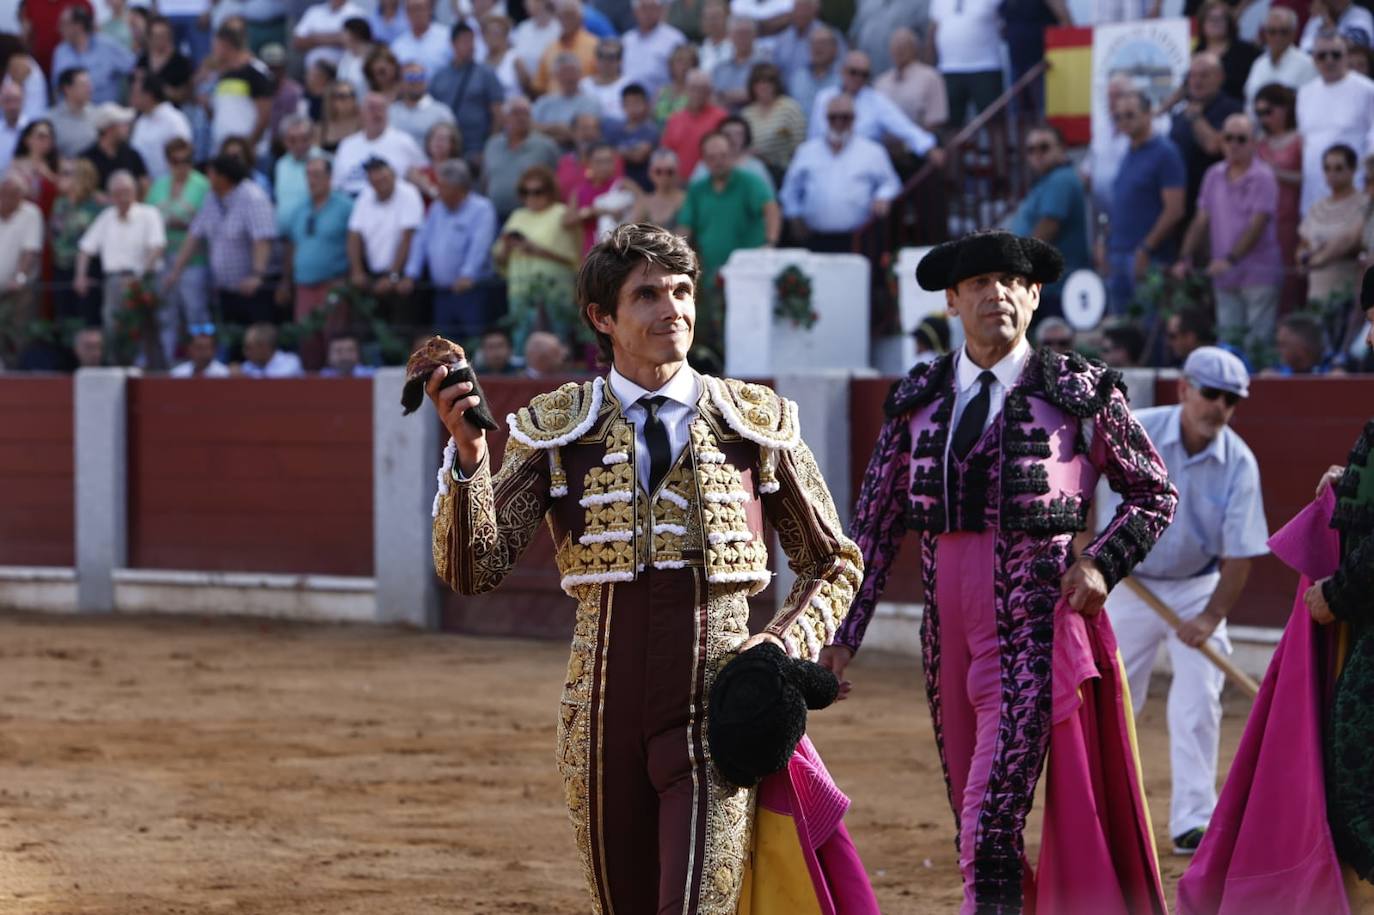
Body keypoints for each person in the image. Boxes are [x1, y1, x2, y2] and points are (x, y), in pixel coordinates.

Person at [427, 221, 876, 915]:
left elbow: (833, 560)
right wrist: (469, 458)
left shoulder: (752, 421)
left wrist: (784, 642)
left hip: (714, 710)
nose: (674, 309)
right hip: (599, 716)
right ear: (602, 318)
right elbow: (474, 568)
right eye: (648, 295)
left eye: (683, 290)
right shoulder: (558, 427)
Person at [834, 229, 1175, 915]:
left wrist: (1104, 563)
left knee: (988, 828)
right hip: (944, 638)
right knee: (977, 819)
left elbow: (1153, 491)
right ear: (954, 299)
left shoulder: (1077, 389)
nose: (999, 294)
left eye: (1014, 282)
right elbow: (871, 526)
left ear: (1035, 294)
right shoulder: (917, 398)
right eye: (982, 283)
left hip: (1030, 631)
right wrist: (842, 635)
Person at [1102, 346, 1268, 856]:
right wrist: (1103, 566)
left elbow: (1240, 554)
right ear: (1184, 390)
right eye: (1211, 394)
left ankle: (1194, 820)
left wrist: (1212, 615)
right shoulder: (1139, 431)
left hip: (1198, 584)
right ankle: (1106, 817)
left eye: (1230, 400)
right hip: (1129, 579)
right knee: (1113, 696)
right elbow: (1094, 500)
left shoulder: (1239, 462)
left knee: (1201, 699)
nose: (1219, 407)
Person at [1173, 112, 1282, 356]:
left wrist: (1229, 260)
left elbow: (1257, 224)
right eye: (1228, 137)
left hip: (1258, 274)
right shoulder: (1213, 175)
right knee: (1229, 347)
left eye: (1241, 139)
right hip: (1224, 276)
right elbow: (1200, 221)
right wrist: (1185, 257)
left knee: (1258, 347)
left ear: (1254, 142)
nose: (1233, 144)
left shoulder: (1264, 177)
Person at [678, 130, 779, 361]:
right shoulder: (698, 189)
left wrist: (771, 242)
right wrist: (673, 257)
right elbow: (685, 227)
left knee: (744, 329)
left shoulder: (749, 182)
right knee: (709, 329)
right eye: (712, 157)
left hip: (747, 273)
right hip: (710, 273)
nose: (718, 161)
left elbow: (770, 208)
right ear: (703, 160)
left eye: (723, 155)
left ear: (732, 155)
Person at [165, 153, 277, 327]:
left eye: (211, 174)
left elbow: (262, 239)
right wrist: (176, 271)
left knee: (254, 340)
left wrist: (257, 275)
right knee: (231, 342)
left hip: (252, 290)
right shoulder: (211, 198)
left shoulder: (253, 198)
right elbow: (194, 234)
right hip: (225, 289)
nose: (207, 178)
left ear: (223, 178)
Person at [1101, 89, 1186, 314]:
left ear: (1148, 114)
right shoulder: (1127, 152)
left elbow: (1175, 209)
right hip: (1119, 252)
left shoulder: (1166, 153)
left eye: (1130, 115)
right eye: (1118, 117)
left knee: (1150, 333)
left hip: (1149, 258)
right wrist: (1104, 240)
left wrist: (1146, 248)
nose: (1123, 121)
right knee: (1122, 336)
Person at [779, 92, 899, 251]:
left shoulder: (872, 151)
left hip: (858, 239)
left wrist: (883, 196)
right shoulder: (807, 151)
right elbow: (790, 190)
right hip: (815, 238)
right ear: (826, 118)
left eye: (845, 117)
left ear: (854, 118)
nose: (839, 122)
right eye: (833, 117)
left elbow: (891, 183)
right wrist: (794, 215)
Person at [401, 159, 496, 342]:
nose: (438, 190)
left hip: (472, 291)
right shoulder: (437, 208)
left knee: (474, 342)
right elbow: (421, 241)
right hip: (442, 292)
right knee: (446, 346)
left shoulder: (481, 209)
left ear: (459, 188)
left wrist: (468, 274)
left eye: (443, 186)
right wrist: (411, 273)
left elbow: (480, 245)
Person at [75, 171, 166, 353]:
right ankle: (114, 367)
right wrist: (80, 276)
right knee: (112, 327)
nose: (123, 197)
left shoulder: (149, 214)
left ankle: (153, 374)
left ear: (135, 192)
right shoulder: (107, 216)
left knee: (149, 329)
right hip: (114, 282)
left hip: (144, 281)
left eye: (127, 191)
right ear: (111, 196)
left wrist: (139, 278)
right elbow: (86, 248)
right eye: (118, 193)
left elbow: (157, 247)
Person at [493, 164, 582, 349]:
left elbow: (573, 258)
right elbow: (499, 259)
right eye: (525, 192)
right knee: (520, 341)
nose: (531, 197)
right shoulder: (517, 215)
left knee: (558, 342)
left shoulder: (561, 213)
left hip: (555, 291)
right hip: (520, 290)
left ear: (549, 191)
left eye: (537, 191)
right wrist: (508, 246)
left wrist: (535, 249)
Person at [1011, 123, 1090, 318]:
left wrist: (1018, 263)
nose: (1037, 154)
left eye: (1044, 147)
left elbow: (1048, 226)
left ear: (1062, 149)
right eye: (1031, 150)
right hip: (1049, 285)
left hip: (1057, 287)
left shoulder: (1060, 180)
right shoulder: (1049, 180)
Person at [806, 51, 941, 165]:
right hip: (826, 164)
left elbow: (903, 126)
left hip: (863, 166)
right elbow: (813, 137)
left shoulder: (876, 101)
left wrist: (928, 148)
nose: (858, 78)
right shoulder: (824, 98)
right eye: (854, 72)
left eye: (864, 74)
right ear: (843, 71)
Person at [1296, 30, 1374, 216]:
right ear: (1314, 59)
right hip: (1313, 197)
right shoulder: (1304, 93)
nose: (1329, 60)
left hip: (1354, 196)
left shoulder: (1367, 90)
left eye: (1335, 54)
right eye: (1322, 55)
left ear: (1346, 56)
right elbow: (1304, 141)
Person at [347, 157, 425, 331]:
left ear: (392, 175)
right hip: (372, 276)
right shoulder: (365, 196)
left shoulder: (409, 193)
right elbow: (354, 234)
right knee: (367, 329)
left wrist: (393, 275)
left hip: (402, 277)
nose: (378, 182)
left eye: (382, 177)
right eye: (373, 179)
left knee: (402, 329)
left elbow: (408, 237)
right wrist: (357, 271)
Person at [147, 137, 210, 350]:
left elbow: (204, 222)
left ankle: (203, 360)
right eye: (175, 160)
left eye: (187, 160)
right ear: (167, 161)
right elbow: (149, 219)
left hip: (194, 260)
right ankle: (167, 362)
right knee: (166, 313)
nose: (181, 165)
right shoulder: (158, 186)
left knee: (196, 312)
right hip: (163, 259)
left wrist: (179, 223)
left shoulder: (203, 185)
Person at [1169, 52, 1244, 226]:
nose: (1196, 81)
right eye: (1192, 76)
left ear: (1220, 77)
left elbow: (1214, 146)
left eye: (1204, 75)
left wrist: (1196, 118)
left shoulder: (1232, 109)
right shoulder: (1180, 114)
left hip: (1217, 205)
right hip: (1182, 203)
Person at [279, 155, 353, 321]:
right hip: (303, 286)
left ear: (329, 177)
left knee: (334, 339)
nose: (312, 180)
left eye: (317, 175)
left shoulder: (346, 207)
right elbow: (292, 245)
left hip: (334, 285)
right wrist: (285, 281)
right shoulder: (299, 209)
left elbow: (356, 244)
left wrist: (349, 278)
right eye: (308, 175)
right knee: (307, 341)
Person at [1299, 143, 1365, 321]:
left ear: (1352, 170)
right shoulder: (1317, 207)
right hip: (1316, 296)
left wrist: (1319, 258)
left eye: (1338, 168)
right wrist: (1304, 257)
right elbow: (1302, 245)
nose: (1332, 174)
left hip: (1348, 300)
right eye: (1327, 168)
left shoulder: (1364, 206)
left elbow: (1354, 242)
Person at [1254, 81, 1304, 312]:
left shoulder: (1298, 140)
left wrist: (1276, 173)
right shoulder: (1258, 143)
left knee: (1290, 280)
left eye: (1268, 111)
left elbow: (1306, 178)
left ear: (1284, 108)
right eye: (1259, 113)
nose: (1264, 118)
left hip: (1290, 218)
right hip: (1263, 220)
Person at [428, 22, 504, 163]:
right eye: (465, 41)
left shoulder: (486, 74)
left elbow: (498, 113)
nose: (471, 46)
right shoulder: (439, 77)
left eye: (472, 40)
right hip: (447, 150)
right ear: (453, 44)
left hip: (477, 149)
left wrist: (489, 149)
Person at [481, 96, 561, 221]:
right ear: (504, 117)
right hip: (495, 215)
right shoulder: (492, 144)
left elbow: (556, 180)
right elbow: (486, 180)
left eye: (526, 113)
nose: (521, 117)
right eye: (516, 113)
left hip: (532, 217)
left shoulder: (545, 146)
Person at [927, 0, 1003, 129]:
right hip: (949, 68)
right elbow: (933, 30)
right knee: (951, 123)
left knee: (994, 122)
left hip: (985, 67)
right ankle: (951, 150)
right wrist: (929, 68)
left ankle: (999, 150)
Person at [331, 91, 425, 194]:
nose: (377, 113)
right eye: (372, 108)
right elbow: (336, 185)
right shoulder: (347, 145)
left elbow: (422, 175)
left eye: (381, 108)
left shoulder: (404, 142)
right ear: (361, 113)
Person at [50, 157, 103, 325]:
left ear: (81, 177)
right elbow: (53, 234)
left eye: (66, 173)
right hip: (60, 269)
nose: (60, 177)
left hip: (87, 272)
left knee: (85, 321)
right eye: (60, 172)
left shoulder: (96, 206)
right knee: (64, 320)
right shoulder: (60, 203)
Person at [209, 21, 273, 158]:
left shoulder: (256, 71)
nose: (213, 50)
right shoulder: (222, 74)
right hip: (224, 151)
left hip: (250, 153)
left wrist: (248, 147)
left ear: (226, 45)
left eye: (215, 45)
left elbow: (265, 115)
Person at [0, 173, 44, 365]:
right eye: (4, 194)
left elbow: (30, 251)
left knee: (18, 332)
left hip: (19, 289)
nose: (7, 199)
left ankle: (16, 372)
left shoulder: (31, 213)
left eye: (14, 194)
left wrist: (19, 277)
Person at [51, 5, 136, 105]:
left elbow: (134, 67)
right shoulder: (60, 52)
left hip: (104, 113)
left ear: (78, 25)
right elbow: (56, 88)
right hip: (72, 115)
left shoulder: (106, 46)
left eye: (64, 24)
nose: (59, 28)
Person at [874, 26, 948, 134]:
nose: (899, 49)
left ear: (915, 48)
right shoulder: (880, 82)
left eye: (904, 45)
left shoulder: (930, 77)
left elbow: (936, 121)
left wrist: (911, 140)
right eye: (896, 45)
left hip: (919, 144)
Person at [740, 62, 805, 179]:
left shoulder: (789, 108)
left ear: (776, 84)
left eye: (768, 81)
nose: (763, 86)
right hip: (754, 173)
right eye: (758, 82)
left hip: (784, 172)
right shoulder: (746, 113)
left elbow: (800, 146)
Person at [1243, 7, 1317, 108]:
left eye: (1284, 32)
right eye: (1272, 31)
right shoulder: (1259, 64)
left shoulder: (1307, 64)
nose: (1278, 37)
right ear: (1265, 34)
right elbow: (1249, 100)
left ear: (1293, 33)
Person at [660, 68, 726, 176]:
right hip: (679, 183)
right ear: (686, 89)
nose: (698, 93)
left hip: (710, 181)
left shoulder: (720, 117)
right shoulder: (674, 120)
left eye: (703, 89)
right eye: (694, 88)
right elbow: (666, 153)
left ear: (709, 92)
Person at [128, 71, 191, 180]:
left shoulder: (174, 120)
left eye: (135, 93)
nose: (132, 98)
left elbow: (183, 155)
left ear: (148, 95)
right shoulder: (141, 121)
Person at [532, 52, 603, 147]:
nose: (569, 77)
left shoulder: (591, 102)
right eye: (564, 72)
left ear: (580, 74)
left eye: (572, 72)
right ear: (555, 76)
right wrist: (556, 128)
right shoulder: (544, 102)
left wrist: (547, 131)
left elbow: (587, 134)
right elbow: (531, 128)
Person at [1194, 0, 1260, 103]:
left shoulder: (1246, 51)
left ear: (1229, 23)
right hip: (1203, 107)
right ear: (1202, 23)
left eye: (1220, 19)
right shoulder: (1198, 50)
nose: (1215, 23)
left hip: (1236, 108)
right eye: (1211, 19)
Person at [533, 0, 599, 94]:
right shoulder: (550, 48)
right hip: (554, 103)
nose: (566, 20)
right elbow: (540, 85)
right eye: (562, 16)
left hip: (584, 103)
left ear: (580, 18)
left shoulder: (594, 45)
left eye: (571, 15)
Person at [620, 0, 683, 97]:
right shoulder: (627, 40)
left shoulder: (674, 39)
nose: (648, 13)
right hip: (629, 103)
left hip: (663, 102)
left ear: (660, 10)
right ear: (635, 12)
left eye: (652, 8)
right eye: (644, 8)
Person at [602, 83, 659, 190]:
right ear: (623, 105)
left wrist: (618, 150)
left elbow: (638, 156)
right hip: (618, 185)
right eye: (629, 103)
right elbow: (608, 152)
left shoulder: (651, 130)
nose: (633, 107)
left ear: (646, 104)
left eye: (637, 102)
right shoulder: (615, 128)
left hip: (645, 184)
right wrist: (630, 151)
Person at [388, 60, 455, 148]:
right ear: (400, 82)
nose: (416, 81)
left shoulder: (442, 113)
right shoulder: (390, 112)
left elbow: (452, 147)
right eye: (410, 77)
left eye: (420, 77)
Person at [292, 0, 365, 71]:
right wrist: (337, 38)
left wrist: (313, 38)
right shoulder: (314, 11)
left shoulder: (357, 14)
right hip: (313, 72)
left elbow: (356, 43)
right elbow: (298, 42)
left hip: (344, 72)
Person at [787, 24, 839, 121]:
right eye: (814, 43)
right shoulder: (797, 78)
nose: (817, 47)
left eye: (823, 43)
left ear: (834, 49)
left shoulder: (842, 80)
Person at [711, 16, 764, 110]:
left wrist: (725, 95)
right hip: (725, 120)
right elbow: (713, 98)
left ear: (755, 36)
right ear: (730, 37)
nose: (742, 38)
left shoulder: (764, 65)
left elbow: (760, 93)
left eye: (746, 33)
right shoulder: (719, 68)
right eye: (738, 33)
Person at [49, 66, 99, 159]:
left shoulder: (97, 114)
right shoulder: (51, 120)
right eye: (83, 85)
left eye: (89, 84)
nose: (89, 89)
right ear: (67, 89)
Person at [389, 0, 450, 75]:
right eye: (412, 9)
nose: (417, 13)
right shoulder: (397, 46)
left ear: (429, 10)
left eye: (419, 8)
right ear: (406, 13)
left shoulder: (447, 37)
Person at [629, 147, 684, 227]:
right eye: (658, 171)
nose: (664, 176)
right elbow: (630, 231)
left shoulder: (686, 200)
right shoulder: (644, 202)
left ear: (677, 173)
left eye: (669, 172)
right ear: (650, 173)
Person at [1270, 311, 1338, 373]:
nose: (1277, 350)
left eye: (1283, 345)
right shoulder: (1276, 372)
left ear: (1302, 347)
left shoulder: (1333, 370)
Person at [581, 36, 629, 119]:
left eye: (611, 57)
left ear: (620, 60)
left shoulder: (628, 85)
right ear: (596, 59)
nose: (606, 61)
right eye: (601, 56)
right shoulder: (584, 85)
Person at [1299, 0, 1374, 51]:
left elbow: (1356, 48)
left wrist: (1329, 26)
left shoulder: (1361, 15)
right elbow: (1305, 49)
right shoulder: (1316, 19)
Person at [237, 321, 303, 377]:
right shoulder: (248, 366)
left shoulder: (291, 362)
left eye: (248, 347)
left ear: (264, 347)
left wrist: (244, 375)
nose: (244, 351)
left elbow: (276, 381)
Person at [654, 42, 698, 123]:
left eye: (688, 62)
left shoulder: (697, 92)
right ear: (671, 65)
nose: (684, 66)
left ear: (694, 65)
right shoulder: (662, 91)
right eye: (679, 62)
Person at [319, 79, 362, 153]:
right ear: (331, 100)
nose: (349, 99)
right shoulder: (322, 128)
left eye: (352, 95)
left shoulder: (363, 124)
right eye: (342, 96)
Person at [0, 81, 30, 175]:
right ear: (1, 102)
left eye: (16, 100)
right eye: (8, 100)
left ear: (23, 100)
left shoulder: (32, 129)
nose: (12, 106)